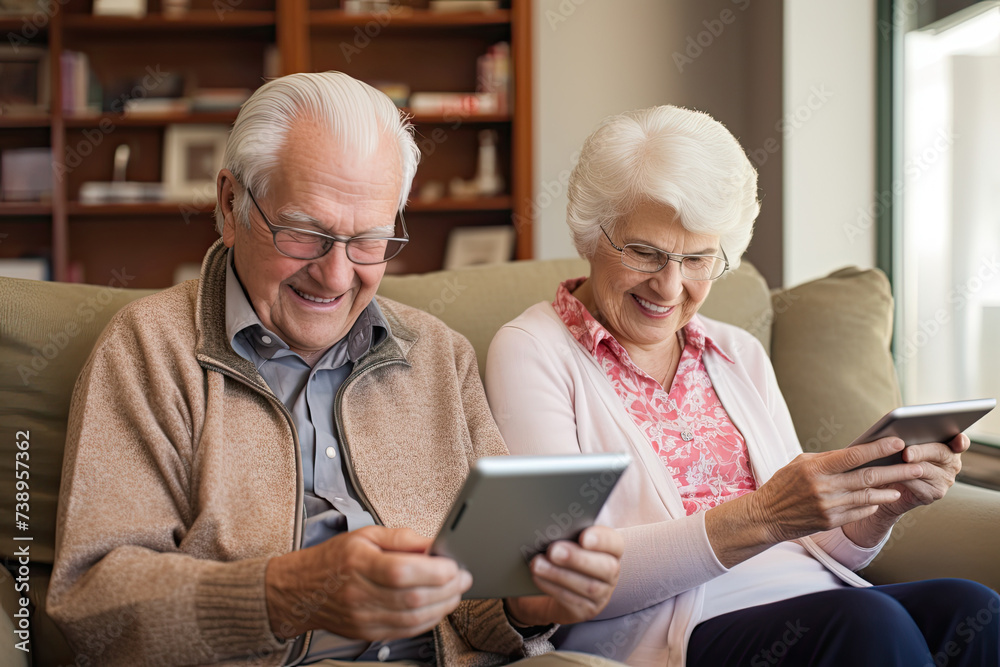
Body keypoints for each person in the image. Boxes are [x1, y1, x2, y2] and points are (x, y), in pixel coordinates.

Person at [47, 72, 624, 667]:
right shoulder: (150, 349)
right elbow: (94, 608)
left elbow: (478, 598)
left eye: (369, 240)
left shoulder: (438, 354)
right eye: (303, 233)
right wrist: (285, 595)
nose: (337, 275)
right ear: (229, 204)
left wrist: (527, 602)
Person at [484, 105, 1000, 667]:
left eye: (698, 258)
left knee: (973, 607)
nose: (670, 285)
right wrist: (766, 515)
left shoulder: (737, 351)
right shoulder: (532, 349)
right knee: (868, 621)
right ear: (590, 233)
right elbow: (555, 579)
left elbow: (809, 538)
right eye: (644, 252)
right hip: (673, 633)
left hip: (815, 602)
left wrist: (878, 507)